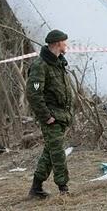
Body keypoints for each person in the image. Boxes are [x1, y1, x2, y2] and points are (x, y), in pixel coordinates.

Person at [26, 29, 74, 198]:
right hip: (51, 118)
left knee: (50, 152)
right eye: (64, 42)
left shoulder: (59, 63)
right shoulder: (40, 65)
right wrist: (47, 117)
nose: (66, 45)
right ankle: (63, 189)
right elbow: (33, 94)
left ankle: (36, 188)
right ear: (57, 44)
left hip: (61, 117)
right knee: (57, 153)